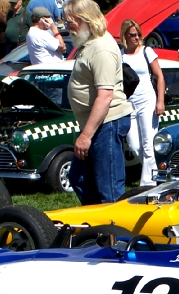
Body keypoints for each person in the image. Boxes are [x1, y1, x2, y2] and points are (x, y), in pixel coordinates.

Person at [65, 0, 132, 204]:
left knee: (109, 189)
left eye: (71, 22)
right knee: (79, 178)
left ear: (86, 20)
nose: (68, 27)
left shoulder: (101, 48)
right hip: (96, 124)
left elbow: (105, 96)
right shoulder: (89, 43)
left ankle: (113, 224)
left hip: (107, 123)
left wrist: (85, 136)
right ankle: (97, 220)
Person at [121, 19, 165, 188]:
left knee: (148, 144)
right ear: (125, 35)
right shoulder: (120, 54)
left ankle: (147, 184)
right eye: (133, 34)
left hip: (147, 101)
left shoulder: (147, 51)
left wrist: (160, 101)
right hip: (129, 103)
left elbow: (160, 76)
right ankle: (155, 173)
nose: (137, 37)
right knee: (134, 145)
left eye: (139, 34)